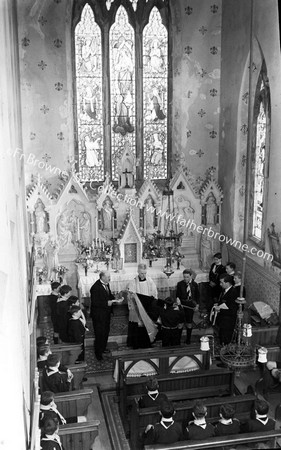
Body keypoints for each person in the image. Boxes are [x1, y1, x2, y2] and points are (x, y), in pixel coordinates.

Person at [90, 271, 122, 361]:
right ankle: (98, 353)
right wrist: (106, 303)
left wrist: (115, 298)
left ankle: (103, 348)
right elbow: (95, 302)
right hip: (99, 315)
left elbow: (108, 295)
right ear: (102, 277)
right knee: (99, 334)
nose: (110, 278)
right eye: (108, 276)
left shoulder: (106, 284)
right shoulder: (95, 287)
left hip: (106, 314)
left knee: (105, 332)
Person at [213, 274, 239, 345]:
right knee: (221, 338)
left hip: (228, 322)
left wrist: (220, 310)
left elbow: (232, 310)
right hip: (223, 320)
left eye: (222, 282)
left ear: (227, 283)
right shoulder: (224, 290)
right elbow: (223, 301)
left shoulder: (233, 293)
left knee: (226, 340)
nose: (220, 284)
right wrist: (218, 304)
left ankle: (225, 354)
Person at [176, 269, 199, 345]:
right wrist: (178, 300)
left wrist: (197, 305)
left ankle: (188, 339)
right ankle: (178, 340)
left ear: (191, 276)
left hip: (190, 305)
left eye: (187, 277)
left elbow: (198, 296)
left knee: (189, 323)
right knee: (180, 323)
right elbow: (177, 295)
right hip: (182, 305)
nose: (185, 279)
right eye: (184, 277)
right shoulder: (180, 284)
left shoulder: (195, 284)